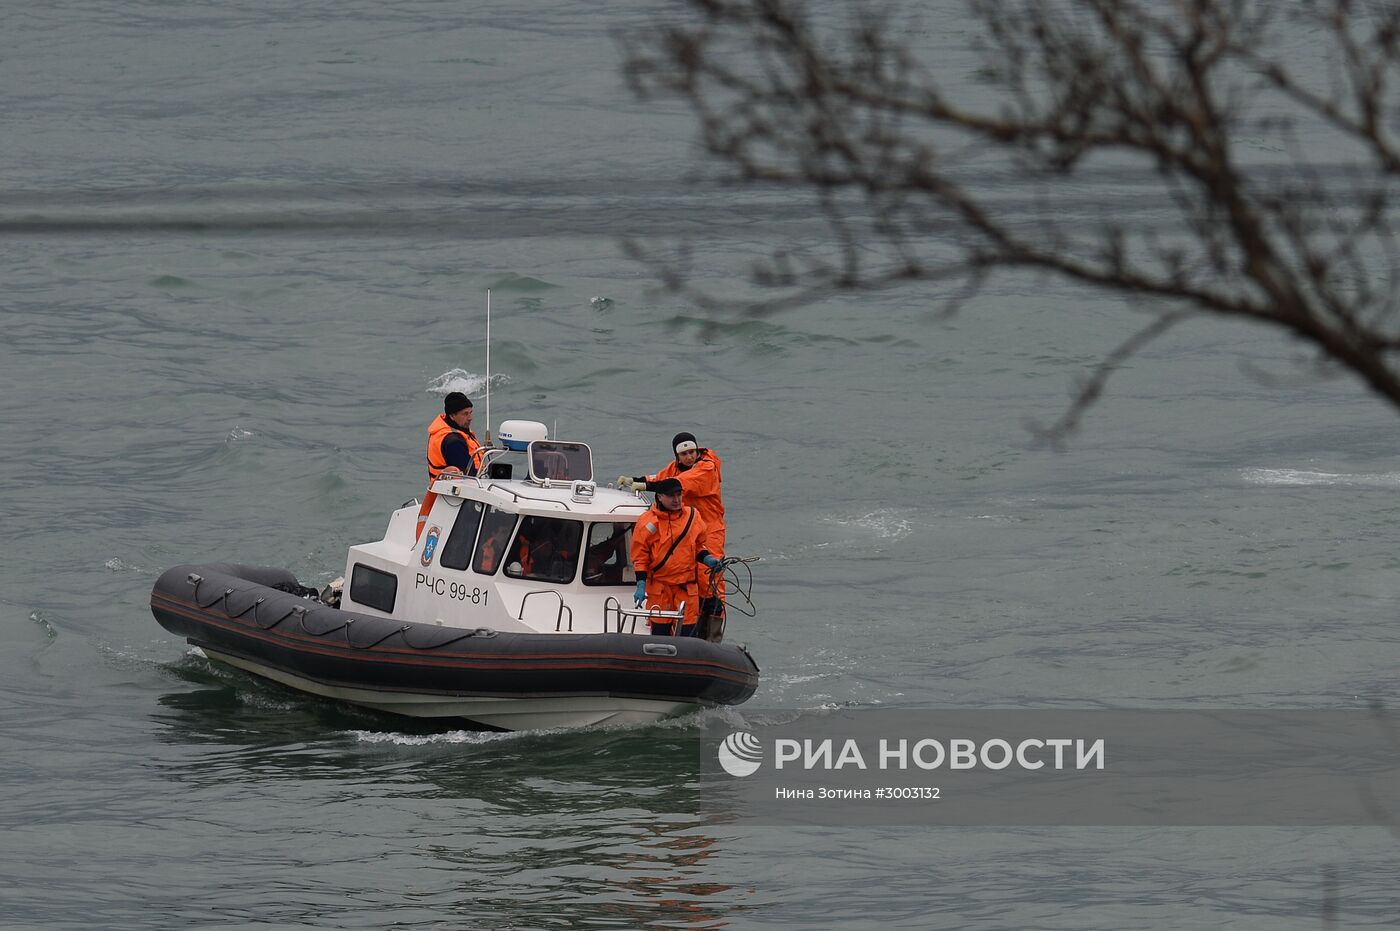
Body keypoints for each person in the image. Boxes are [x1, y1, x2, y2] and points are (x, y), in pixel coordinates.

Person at [620, 431, 728, 620]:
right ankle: (687, 618)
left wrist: (646, 487)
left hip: (709, 528)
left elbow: (682, 483)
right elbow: (660, 478)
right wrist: (636, 480)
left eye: (692, 452)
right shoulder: (674, 468)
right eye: (684, 454)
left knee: (708, 577)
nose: (689, 457)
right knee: (684, 573)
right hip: (684, 524)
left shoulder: (707, 467)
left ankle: (712, 624)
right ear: (677, 456)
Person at [629, 477, 723, 636]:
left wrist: (708, 559)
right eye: (672, 495)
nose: (677, 499)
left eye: (679, 494)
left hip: (686, 589)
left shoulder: (693, 517)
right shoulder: (647, 522)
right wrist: (640, 584)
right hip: (660, 590)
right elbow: (640, 557)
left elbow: (699, 545)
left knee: (688, 636)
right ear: (660, 497)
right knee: (659, 636)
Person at [416, 392, 484, 541]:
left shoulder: (454, 432)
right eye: (465, 414)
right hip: (455, 501)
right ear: (452, 416)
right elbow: (470, 476)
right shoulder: (452, 441)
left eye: (471, 412)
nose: (470, 417)